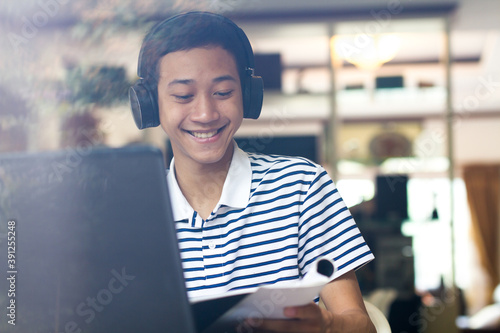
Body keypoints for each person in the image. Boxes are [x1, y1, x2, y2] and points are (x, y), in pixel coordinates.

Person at [129, 11, 376, 333]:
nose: (205, 113)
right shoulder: (133, 212)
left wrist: (327, 325)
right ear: (149, 103)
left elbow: (361, 325)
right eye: (183, 96)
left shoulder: (301, 186)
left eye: (222, 93)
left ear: (247, 94)